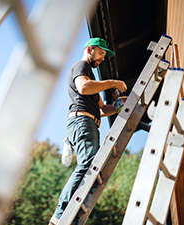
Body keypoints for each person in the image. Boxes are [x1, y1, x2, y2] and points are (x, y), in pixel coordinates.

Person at [49, 37, 127, 225]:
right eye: (100, 53)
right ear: (90, 49)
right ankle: (59, 216)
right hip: (82, 121)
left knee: (93, 167)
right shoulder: (81, 67)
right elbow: (83, 88)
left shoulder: (91, 79)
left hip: (89, 122)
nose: (102, 58)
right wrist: (113, 83)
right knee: (89, 164)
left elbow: (101, 109)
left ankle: (70, 215)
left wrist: (119, 106)